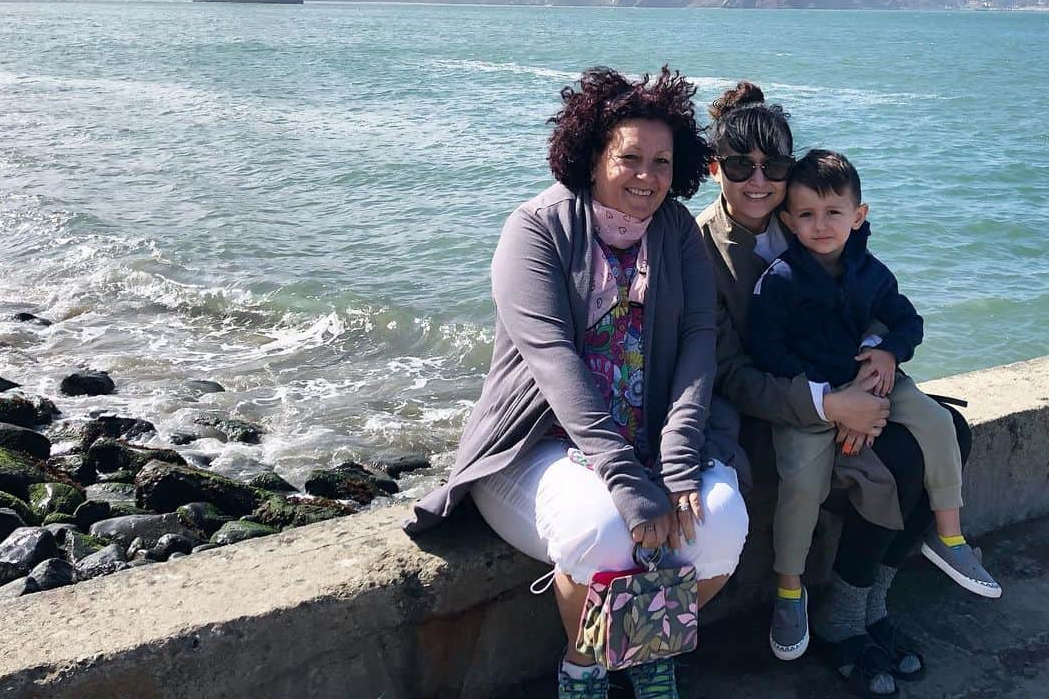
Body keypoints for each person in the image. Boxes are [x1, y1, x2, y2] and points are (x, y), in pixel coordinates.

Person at [405, 67, 749, 699]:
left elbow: (700, 343)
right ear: (593, 157)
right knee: (606, 531)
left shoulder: (675, 231)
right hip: (538, 442)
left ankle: (644, 650)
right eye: (631, 158)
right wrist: (625, 475)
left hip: (652, 438)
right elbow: (553, 361)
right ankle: (583, 666)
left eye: (663, 162)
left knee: (721, 524)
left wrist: (675, 466)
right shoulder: (535, 228)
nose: (648, 176)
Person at [698, 83, 973, 698]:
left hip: (846, 384)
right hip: (771, 415)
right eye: (741, 167)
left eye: (775, 167)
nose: (759, 182)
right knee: (897, 461)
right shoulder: (702, 253)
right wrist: (831, 404)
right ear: (717, 168)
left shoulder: (810, 216)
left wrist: (879, 353)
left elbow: (866, 296)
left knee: (949, 433)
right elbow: (730, 373)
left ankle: (868, 606)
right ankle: (840, 619)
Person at [748, 149, 1001, 617]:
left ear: (858, 215)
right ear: (788, 220)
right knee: (801, 483)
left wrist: (888, 352)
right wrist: (831, 399)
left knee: (939, 422)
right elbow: (768, 353)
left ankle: (950, 536)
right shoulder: (779, 282)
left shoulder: (872, 273)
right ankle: (789, 587)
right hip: (814, 398)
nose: (820, 225)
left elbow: (909, 322)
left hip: (876, 380)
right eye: (806, 215)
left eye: (833, 213)